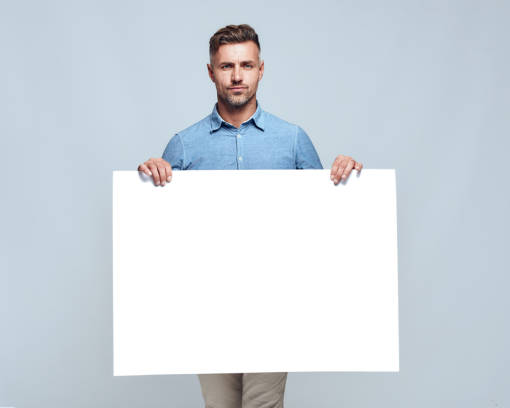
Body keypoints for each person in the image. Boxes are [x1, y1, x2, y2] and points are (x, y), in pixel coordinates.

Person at [137, 24, 363, 408]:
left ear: (261, 69)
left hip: (273, 302)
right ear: (211, 72)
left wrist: (343, 174)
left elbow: (325, 221)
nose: (237, 76)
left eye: (246, 65)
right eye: (226, 66)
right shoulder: (184, 144)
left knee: (263, 405)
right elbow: (162, 232)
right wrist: (150, 176)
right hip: (207, 305)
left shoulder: (292, 139)